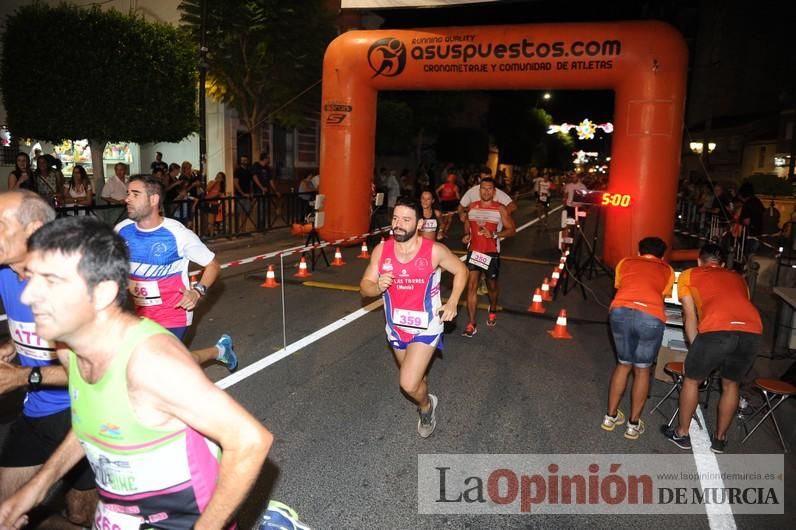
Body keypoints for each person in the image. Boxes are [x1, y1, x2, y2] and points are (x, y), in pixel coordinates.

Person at [0, 216, 273, 529]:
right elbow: (93, 422)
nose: (27, 296)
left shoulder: (150, 361)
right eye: (30, 277)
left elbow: (251, 440)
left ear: (101, 294)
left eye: (51, 282)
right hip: (121, 515)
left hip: (181, 520)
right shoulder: (69, 347)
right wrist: (34, 489)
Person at [0, 190, 96, 529]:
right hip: (35, 409)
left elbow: (92, 373)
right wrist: (12, 345)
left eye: (0, 225)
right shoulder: (5, 274)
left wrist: (24, 376)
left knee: (81, 515)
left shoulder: (71, 285)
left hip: (80, 412)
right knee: (5, 509)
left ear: (33, 228)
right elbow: (33, 328)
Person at [360, 199, 468, 438]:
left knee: (408, 384)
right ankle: (424, 393)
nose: (398, 225)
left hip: (426, 326)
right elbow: (364, 287)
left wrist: (452, 301)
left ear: (419, 224)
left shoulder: (434, 251)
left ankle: (426, 406)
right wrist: (376, 286)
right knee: (419, 377)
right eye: (395, 218)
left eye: (406, 220)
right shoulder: (382, 250)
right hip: (396, 328)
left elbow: (462, 270)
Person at [117, 175, 238, 370]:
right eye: (128, 193)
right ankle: (220, 351)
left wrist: (197, 291)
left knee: (153, 365)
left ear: (154, 199)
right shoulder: (121, 231)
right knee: (168, 363)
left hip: (172, 314)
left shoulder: (178, 234)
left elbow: (213, 265)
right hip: (137, 312)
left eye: (135, 194)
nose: (127, 199)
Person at [662, 243, 763, 454]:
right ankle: (719, 439)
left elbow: (689, 316)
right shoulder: (738, 278)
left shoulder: (690, 275)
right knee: (731, 383)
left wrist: (695, 349)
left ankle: (681, 433)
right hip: (752, 330)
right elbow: (738, 307)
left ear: (700, 260)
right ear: (723, 264)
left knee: (691, 378)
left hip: (718, 330)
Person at [601, 237, 674, 440]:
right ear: (662, 255)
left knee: (623, 364)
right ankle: (633, 425)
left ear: (639, 251)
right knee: (642, 370)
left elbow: (619, 286)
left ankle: (610, 416)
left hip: (620, 311)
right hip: (649, 316)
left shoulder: (625, 262)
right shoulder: (666, 269)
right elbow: (662, 296)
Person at [461, 177, 516, 337]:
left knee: (491, 286)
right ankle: (471, 324)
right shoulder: (472, 206)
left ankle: (492, 308)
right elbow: (467, 224)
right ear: (479, 190)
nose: (486, 191)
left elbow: (512, 229)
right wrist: (466, 235)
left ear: (494, 191)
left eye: (489, 189)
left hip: (491, 252)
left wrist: (494, 234)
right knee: (471, 286)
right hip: (474, 252)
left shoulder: (500, 209)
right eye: (483, 188)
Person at [435, 173, 459, 240]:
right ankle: (442, 232)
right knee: (447, 219)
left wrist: (439, 198)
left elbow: (436, 191)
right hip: (448, 203)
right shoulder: (454, 186)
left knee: (446, 219)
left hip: (447, 203)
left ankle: (443, 232)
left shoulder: (446, 185)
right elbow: (457, 197)